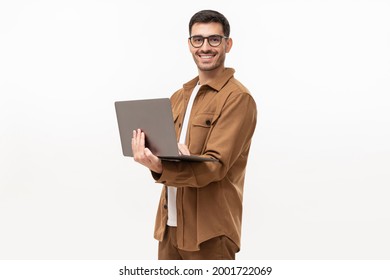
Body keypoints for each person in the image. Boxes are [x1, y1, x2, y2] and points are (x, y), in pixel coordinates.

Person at [131, 9, 257, 260]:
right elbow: (168, 156)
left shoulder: (237, 99)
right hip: (169, 229)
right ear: (189, 45)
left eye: (214, 39)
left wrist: (162, 167)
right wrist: (153, 160)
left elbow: (215, 166)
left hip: (209, 234)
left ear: (227, 44)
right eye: (198, 39)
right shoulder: (179, 97)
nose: (205, 47)